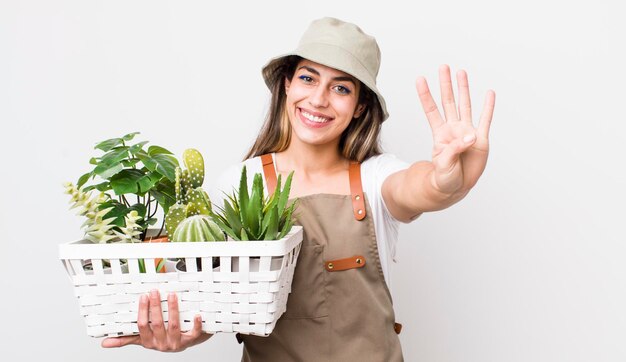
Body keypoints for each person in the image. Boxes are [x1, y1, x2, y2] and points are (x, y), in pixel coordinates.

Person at [101, 16, 495, 361]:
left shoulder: (375, 179)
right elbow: (218, 301)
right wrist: (183, 335)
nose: (319, 99)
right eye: (308, 78)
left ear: (359, 106)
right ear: (287, 85)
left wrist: (448, 179)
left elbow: (419, 187)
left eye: (341, 88)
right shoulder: (240, 184)